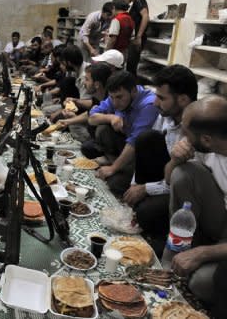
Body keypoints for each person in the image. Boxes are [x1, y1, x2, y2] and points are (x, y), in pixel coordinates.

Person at [163, 96, 227, 318]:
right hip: (219, 219)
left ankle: (194, 256)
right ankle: (176, 253)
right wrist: (175, 160)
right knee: (183, 173)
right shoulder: (207, 146)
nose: (181, 137)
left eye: (185, 132)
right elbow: (170, 181)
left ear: (207, 139)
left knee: (200, 283)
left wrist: (204, 254)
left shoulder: (206, 142)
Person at [122, 65, 196, 248]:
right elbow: (145, 152)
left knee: (146, 212)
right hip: (164, 178)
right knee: (147, 139)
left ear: (183, 99)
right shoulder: (166, 116)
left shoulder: (197, 129)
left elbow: (183, 183)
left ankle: (160, 236)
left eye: (161, 97)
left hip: (183, 192)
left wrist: (145, 189)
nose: (155, 102)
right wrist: (135, 187)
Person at [86, 70, 158, 194]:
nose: (115, 103)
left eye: (119, 97)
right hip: (124, 142)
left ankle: (118, 165)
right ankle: (115, 162)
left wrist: (113, 169)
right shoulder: (116, 94)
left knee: (114, 183)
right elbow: (91, 118)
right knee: (90, 143)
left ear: (133, 91)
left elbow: (134, 143)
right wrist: (111, 117)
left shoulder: (149, 105)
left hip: (141, 155)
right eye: (112, 97)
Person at [58, 63, 112, 129]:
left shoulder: (112, 102)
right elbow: (89, 114)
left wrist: (72, 119)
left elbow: (91, 120)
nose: (84, 83)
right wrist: (68, 121)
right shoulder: (97, 97)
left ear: (97, 84)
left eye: (87, 79)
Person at [121, 0, 149, 76]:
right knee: (130, 66)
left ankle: (131, 89)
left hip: (137, 38)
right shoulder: (135, 3)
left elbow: (145, 16)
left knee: (131, 67)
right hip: (135, 38)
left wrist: (139, 36)